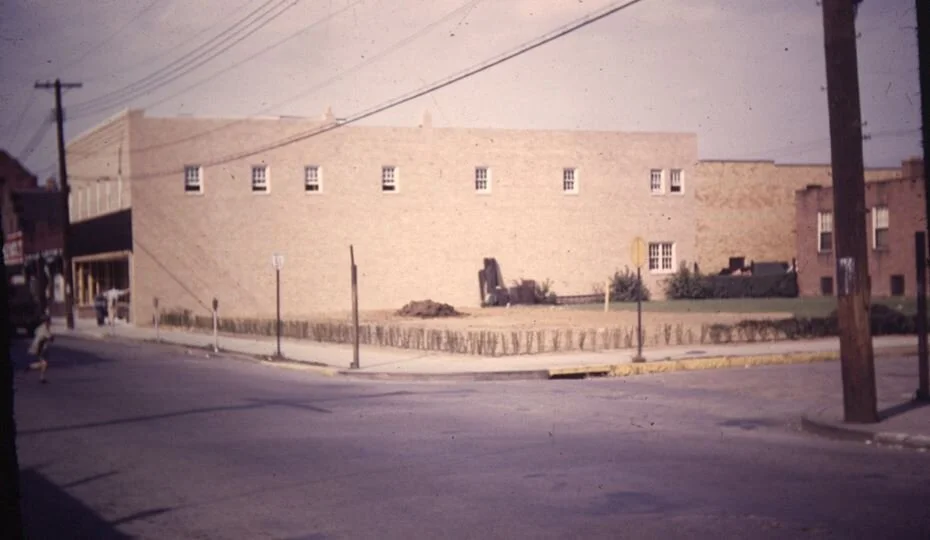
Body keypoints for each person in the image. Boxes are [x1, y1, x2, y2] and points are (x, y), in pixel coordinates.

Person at [26, 316, 54, 384]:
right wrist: (50, 337)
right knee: (45, 363)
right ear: (46, 322)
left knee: (44, 363)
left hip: (40, 347)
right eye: (49, 321)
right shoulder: (44, 329)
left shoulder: (41, 327)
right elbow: (50, 338)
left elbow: (36, 332)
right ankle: (41, 377)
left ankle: (32, 367)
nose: (50, 322)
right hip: (41, 347)